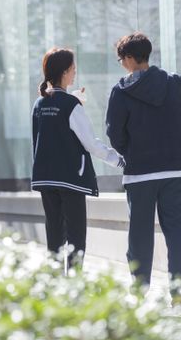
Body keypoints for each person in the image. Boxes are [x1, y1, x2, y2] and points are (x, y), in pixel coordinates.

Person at [105, 32, 181, 307]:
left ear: (132, 58)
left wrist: (132, 150)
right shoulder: (175, 83)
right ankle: (178, 293)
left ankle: (139, 290)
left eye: (122, 58)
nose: (121, 63)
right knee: (175, 233)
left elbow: (114, 134)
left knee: (140, 235)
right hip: (173, 171)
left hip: (139, 174)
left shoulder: (121, 91)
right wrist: (170, 137)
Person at [32, 47, 125, 270]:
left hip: (46, 178)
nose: (75, 73)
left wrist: (73, 100)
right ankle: (74, 285)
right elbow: (90, 143)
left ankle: (54, 284)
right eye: (73, 69)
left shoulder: (39, 104)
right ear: (64, 72)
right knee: (76, 236)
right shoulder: (71, 105)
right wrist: (117, 160)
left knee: (54, 233)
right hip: (71, 179)